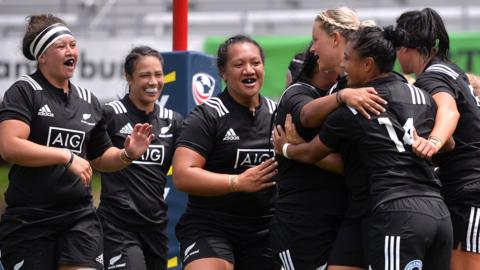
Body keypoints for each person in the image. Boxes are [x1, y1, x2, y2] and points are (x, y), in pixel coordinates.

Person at [273, 26, 453, 270]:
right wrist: (429, 142)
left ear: (367, 65)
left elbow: (311, 149)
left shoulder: (357, 105)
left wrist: (286, 148)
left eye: (347, 59)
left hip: (395, 212)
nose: (343, 67)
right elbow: (449, 143)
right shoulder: (421, 96)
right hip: (436, 211)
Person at [0, 14, 153, 270]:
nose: (70, 51)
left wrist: (127, 154)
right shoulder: (24, 91)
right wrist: (66, 156)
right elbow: (10, 147)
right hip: (30, 218)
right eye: (61, 46)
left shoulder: (88, 101)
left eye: (73, 44)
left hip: (79, 216)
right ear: (42, 57)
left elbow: (101, 157)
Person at [275, 7, 385, 270]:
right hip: (311, 221)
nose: (313, 48)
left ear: (336, 39)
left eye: (315, 39)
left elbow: (366, 163)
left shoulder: (365, 86)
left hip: (372, 212)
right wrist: (340, 98)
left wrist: (297, 149)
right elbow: (304, 116)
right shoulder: (325, 92)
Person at [172, 35, 279, 270]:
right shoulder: (206, 116)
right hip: (210, 226)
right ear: (223, 72)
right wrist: (237, 182)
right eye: (239, 64)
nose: (248, 70)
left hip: (265, 231)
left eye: (255, 63)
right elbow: (182, 175)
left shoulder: (278, 114)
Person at [388, 8, 480, 270]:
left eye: (397, 48)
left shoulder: (432, 77)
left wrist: (435, 142)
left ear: (406, 47)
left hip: (469, 189)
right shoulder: (451, 69)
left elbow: (448, 109)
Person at [97, 46, 182, 270]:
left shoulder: (172, 121)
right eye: (145, 75)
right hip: (117, 225)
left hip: (156, 226)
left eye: (158, 74)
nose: (153, 81)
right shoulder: (110, 114)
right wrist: (127, 154)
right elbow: (93, 159)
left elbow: (188, 165)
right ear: (128, 77)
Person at [271, 46, 348, 270]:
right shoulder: (298, 94)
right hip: (301, 224)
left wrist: (299, 148)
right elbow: (305, 114)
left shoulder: (343, 95)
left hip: (337, 218)